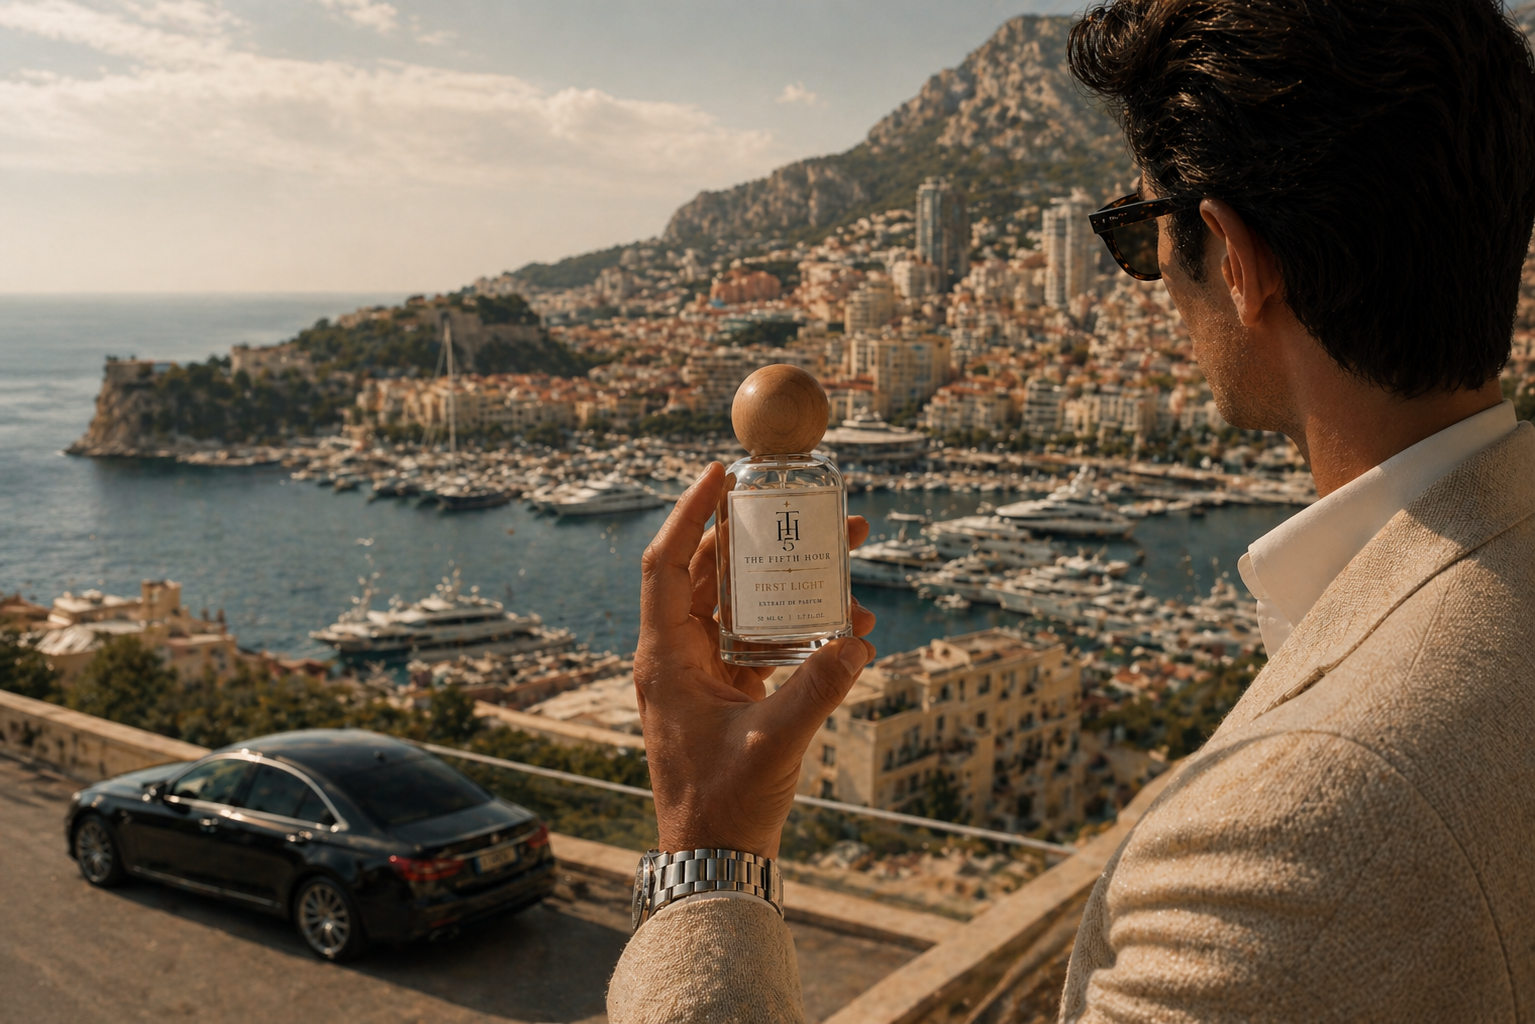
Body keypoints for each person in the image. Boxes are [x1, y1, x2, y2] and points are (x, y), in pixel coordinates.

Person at [608, 0, 1535, 1019]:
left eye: (1138, 239)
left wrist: (707, 851)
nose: (1151, 290)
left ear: (1233, 258)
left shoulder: (1296, 829)